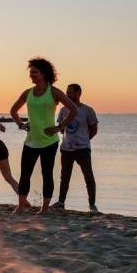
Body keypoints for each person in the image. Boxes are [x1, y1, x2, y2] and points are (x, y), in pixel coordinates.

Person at [9, 58, 77, 212]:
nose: (31, 75)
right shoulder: (28, 93)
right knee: (25, 174)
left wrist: (59, 127)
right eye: (31, 73)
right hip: (31, 141)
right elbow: (13, 111)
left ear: (44, 73)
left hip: (49, 142)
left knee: (47, 174)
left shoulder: (53, 92)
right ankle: (20, 206)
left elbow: (74, 109)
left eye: (34, 72)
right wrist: (21, 124)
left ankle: (44, 208)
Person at [50, 84, 99, 213]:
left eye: (70, 93)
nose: (67, 96)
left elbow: (94, 130)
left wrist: (84, 140)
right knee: (64, 177)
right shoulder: (63, 110)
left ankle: (92, 205)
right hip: (66, 149)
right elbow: (61, 128)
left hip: (83, 149)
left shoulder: (88, 110)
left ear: (78, 93)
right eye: (66, 93)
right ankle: (61, 202)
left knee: (88, 176)